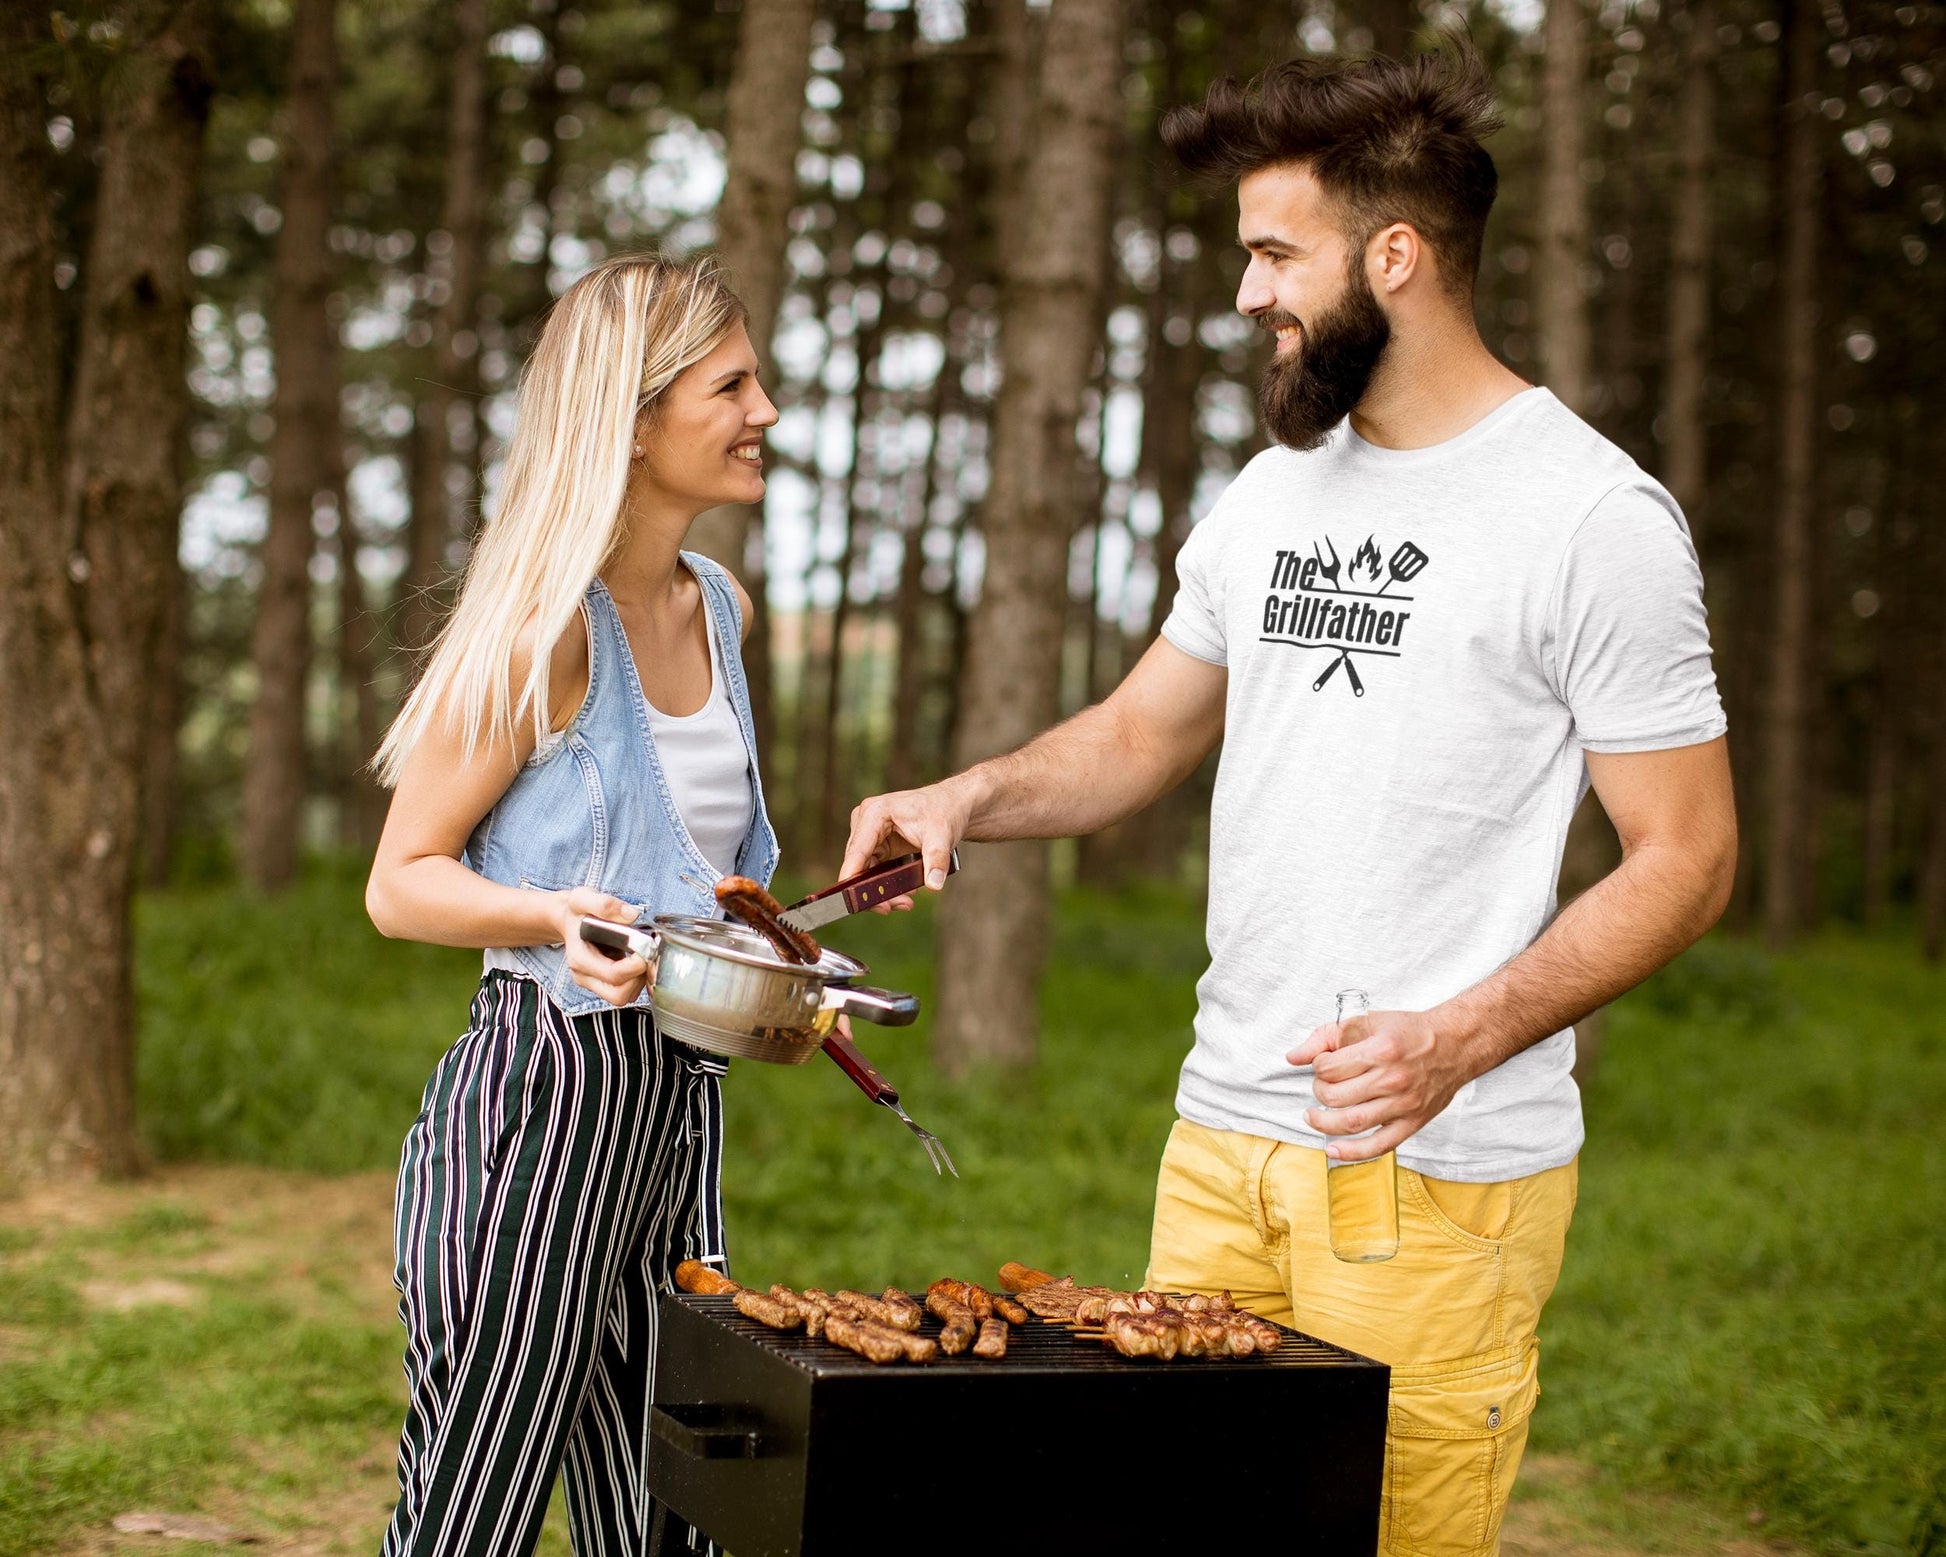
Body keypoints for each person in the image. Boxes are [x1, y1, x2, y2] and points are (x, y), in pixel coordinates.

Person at [839, 42, 1737, 1557]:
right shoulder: (1273, 493)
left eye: (1274, 253)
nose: (1247, 292)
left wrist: (1461, 1036)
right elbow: (1138, 735)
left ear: (1395, 257)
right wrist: (964, 795)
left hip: (1434, 1175)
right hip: (1219, 1140)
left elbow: (1690, 857)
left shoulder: (1591, 516)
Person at [364, 253, 777, 1557]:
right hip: (538, 1109)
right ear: (636, 420)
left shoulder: (722, 608)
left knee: (671, 1513)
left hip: (676, 1111)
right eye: (731, 386)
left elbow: (690, 863)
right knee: (473, 1514)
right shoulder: (541, 633)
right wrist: (551, 920)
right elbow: (399, 881)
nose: (765, 411)